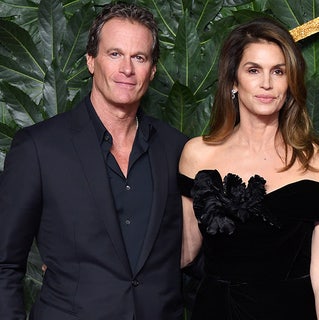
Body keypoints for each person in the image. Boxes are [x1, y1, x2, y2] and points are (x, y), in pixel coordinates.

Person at [0, 3, 187, 319]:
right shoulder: (39, 148)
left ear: (152, 70)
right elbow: (5, 264)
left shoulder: (176, 148)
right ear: (91, 61)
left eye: (138, 57)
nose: (126, 68)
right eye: (114, 54)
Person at [178, 18, 319, 320]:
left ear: (290, 82)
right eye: (253, 70)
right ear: (233, 81)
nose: (266, 83)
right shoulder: (197, 154)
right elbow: (185, 252)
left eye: (278, 71)